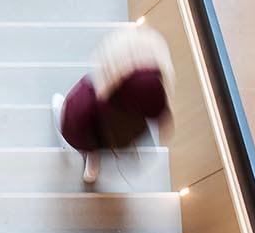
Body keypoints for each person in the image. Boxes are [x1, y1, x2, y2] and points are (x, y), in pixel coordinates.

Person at [53, 24, 173, 186]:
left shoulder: (92, 97)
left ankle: (91, 158)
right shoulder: (151, 92)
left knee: (70, 119)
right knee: (97, 138)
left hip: (86, 125)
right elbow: (159, 115)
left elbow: (73, 124)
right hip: (120, 136)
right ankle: (93, 163)